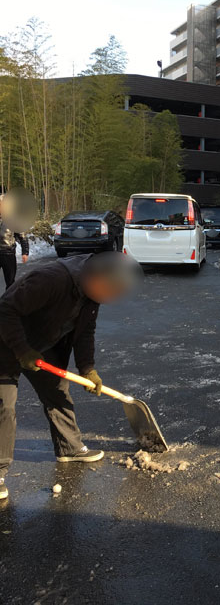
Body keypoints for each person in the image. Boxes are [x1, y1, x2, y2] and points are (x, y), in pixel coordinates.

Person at [0, 251, 140, 501]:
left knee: (57, 391)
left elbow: (85, 331)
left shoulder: (93, 291)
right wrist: (21, 350)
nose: (111, 297)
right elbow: (5, 310)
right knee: (4, 405)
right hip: (5, 342)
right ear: (97, 279)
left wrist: (87, 369)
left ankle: (69, 448)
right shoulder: (51, 279)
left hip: (40, 344)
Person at [0, 195, 29, 291]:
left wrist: (25, 252)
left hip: (8, 253)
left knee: (10, 282)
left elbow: (22, 236)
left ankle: (9, 299)